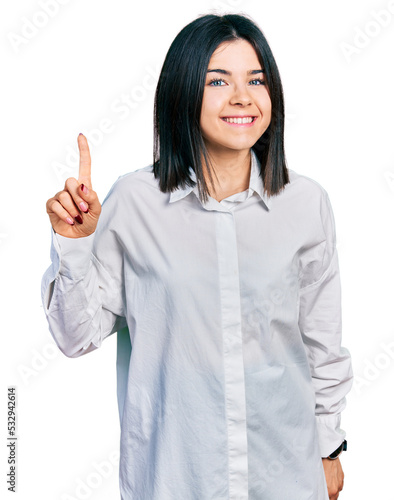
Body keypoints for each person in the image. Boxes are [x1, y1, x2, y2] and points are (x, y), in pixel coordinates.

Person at [41, 13, 353, 500]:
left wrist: (329, 450)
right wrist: (75, 244)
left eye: (256, 79)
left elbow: (322, 343)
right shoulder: (134, 202)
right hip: (174, 478)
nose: (242, 97)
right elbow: (74, 337)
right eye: (217, 81)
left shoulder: (306, 203)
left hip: (285, 475)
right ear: (183, 92)